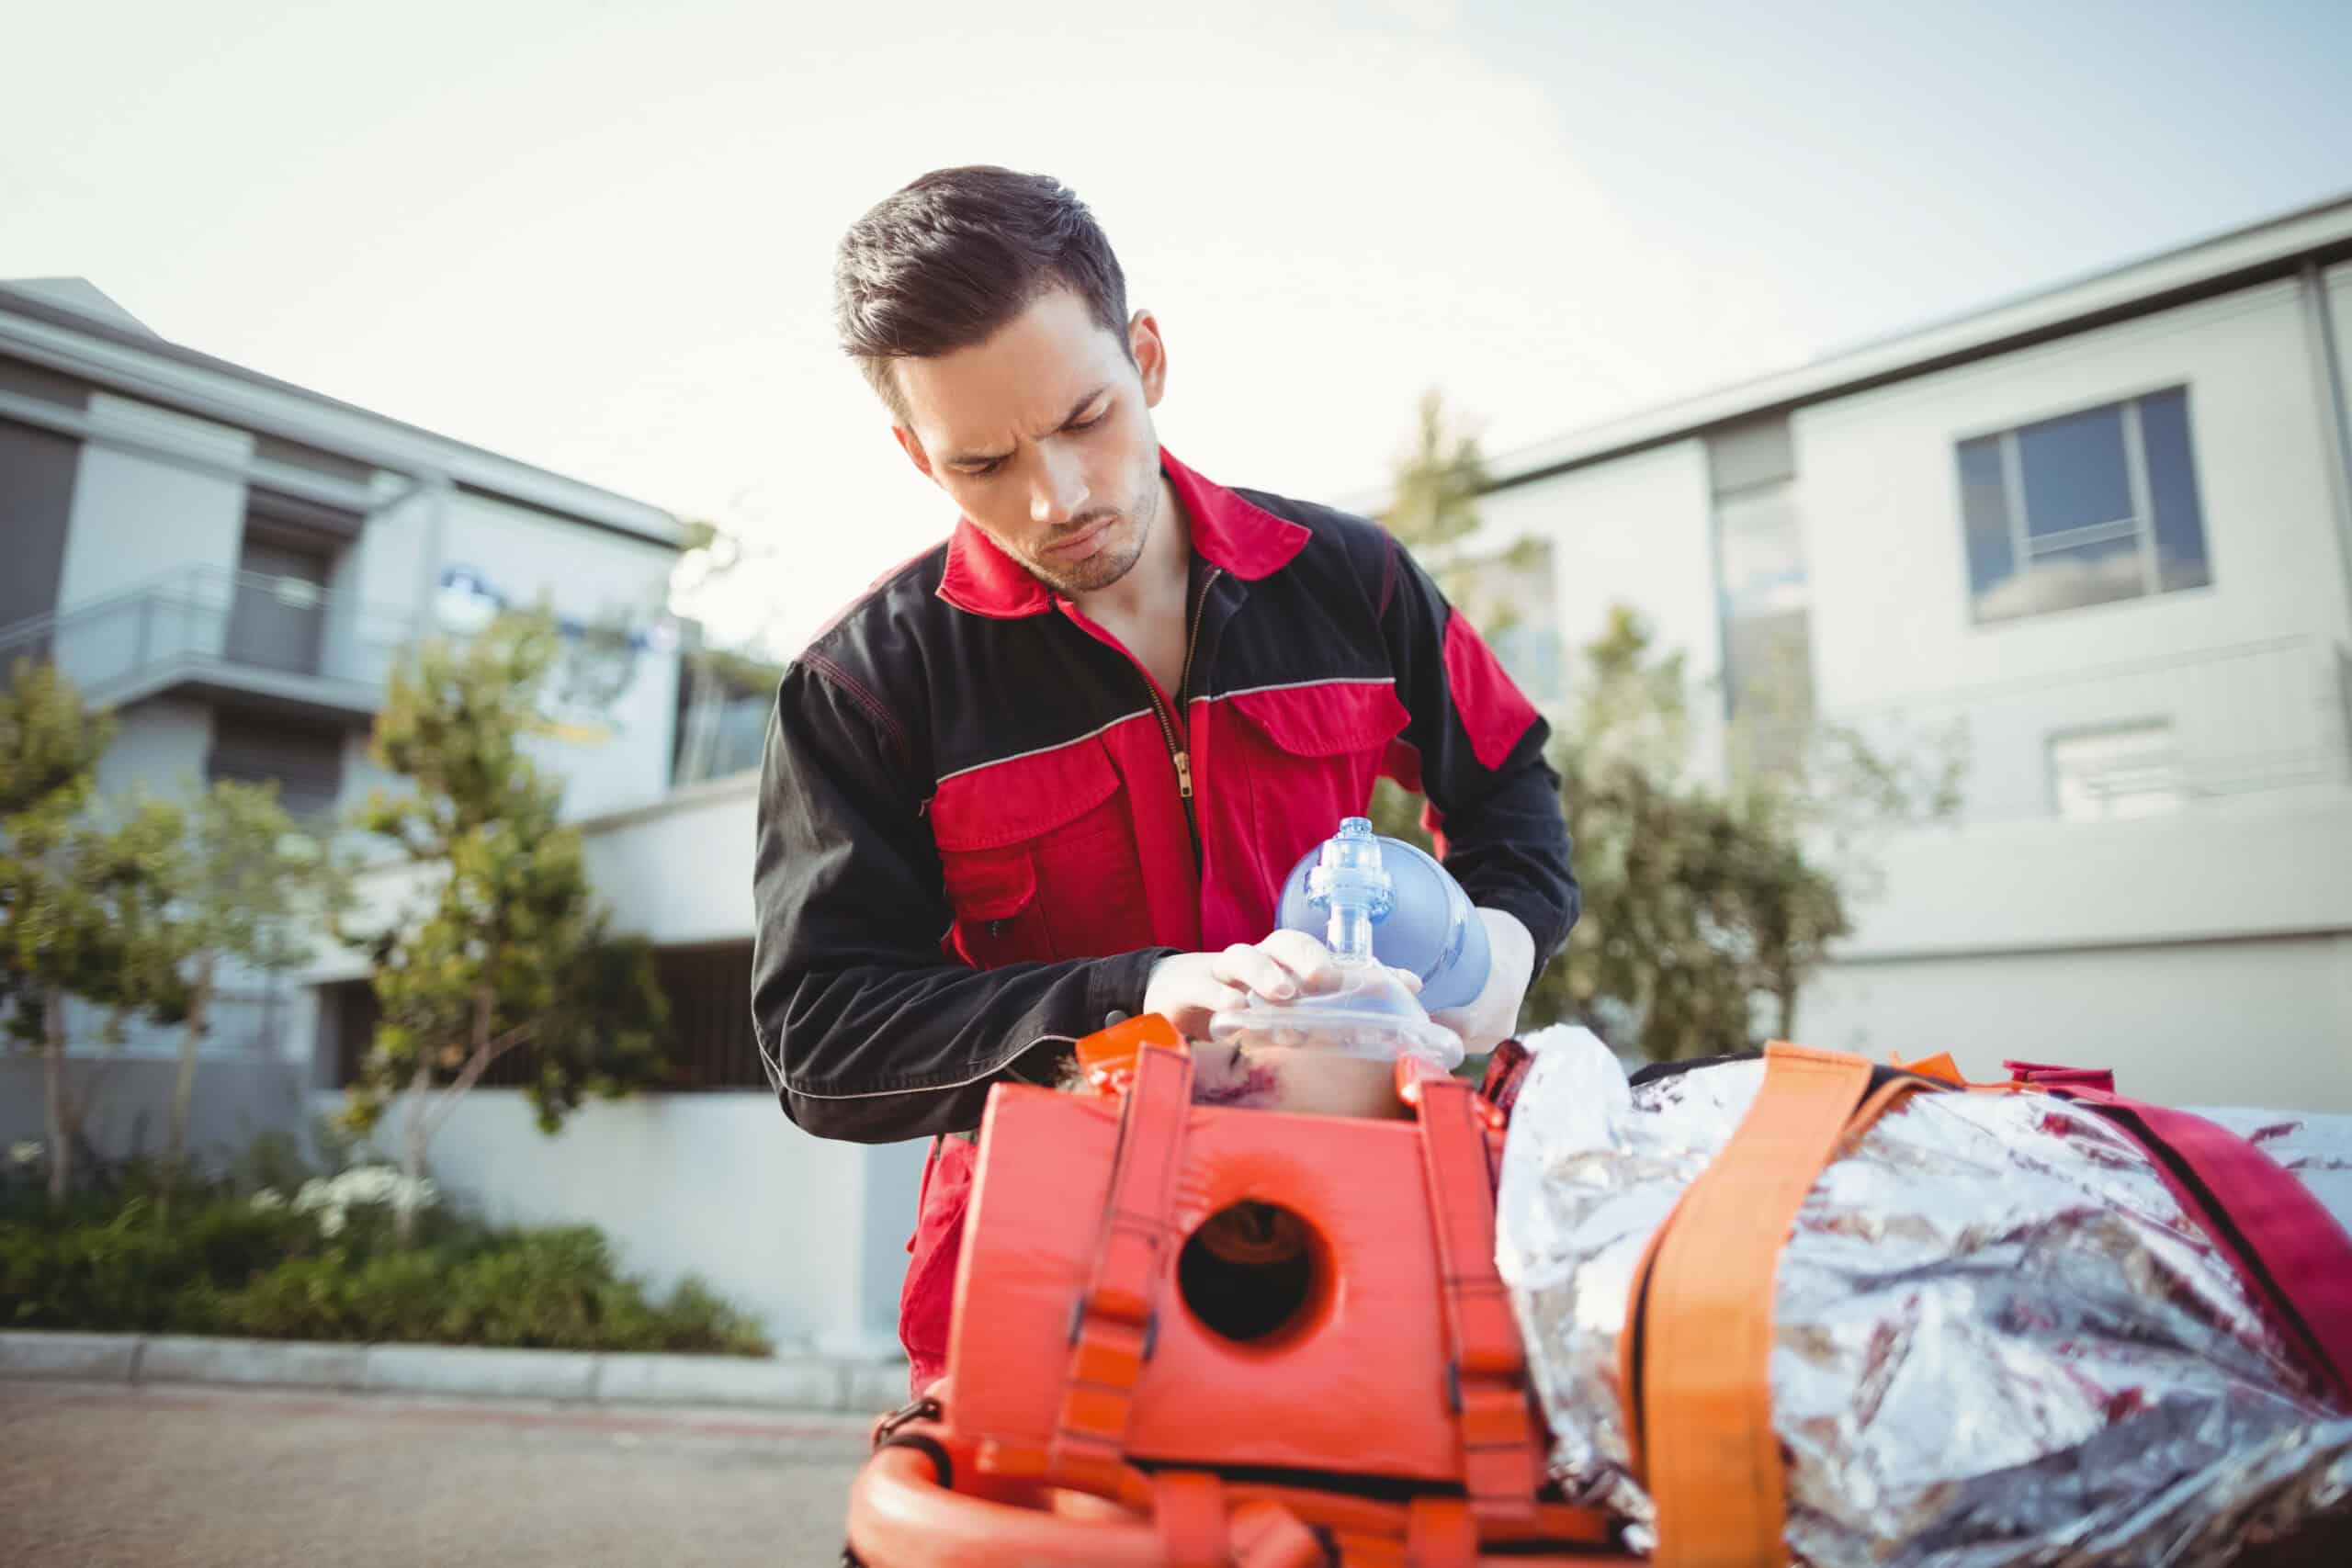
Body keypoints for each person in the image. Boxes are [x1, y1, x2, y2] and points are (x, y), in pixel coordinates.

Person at [752, 165, 1577, 1392]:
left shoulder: (1352, 583)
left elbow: (1509, 783)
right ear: (917, 456)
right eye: (982, 463)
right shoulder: (866, 687)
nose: (1059, 498)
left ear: (1146, 357)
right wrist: (1136, 1003)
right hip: (1044, 1272)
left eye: (1086, 419)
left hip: (1358, 1230)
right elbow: (823, 1037)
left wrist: (1503, 941)